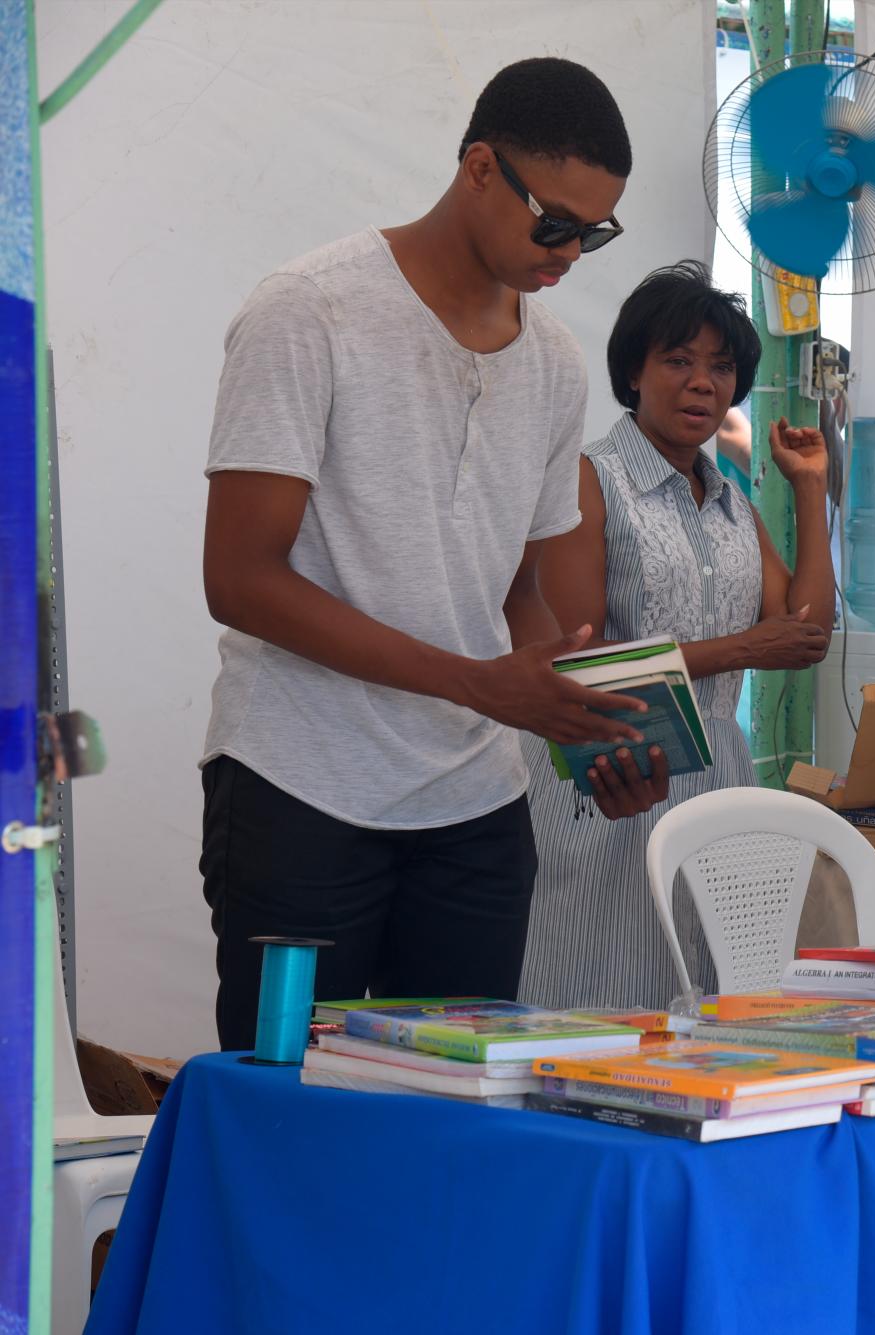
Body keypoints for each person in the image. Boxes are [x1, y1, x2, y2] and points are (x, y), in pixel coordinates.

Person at [199, 59, 641, 1051]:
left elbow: (517, 588)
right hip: (301, 784)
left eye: (594, 232)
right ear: (479, 168)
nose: (569, 253)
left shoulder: (557, 362)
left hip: (474, 808)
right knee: (296, 1116)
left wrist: (582, 727)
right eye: (554, 223)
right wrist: (480, 685)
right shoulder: (309, 311)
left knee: (453, 1125)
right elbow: (239, 579)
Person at [516, 262, 835, 1010]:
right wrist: (738, 651)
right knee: (602, 999)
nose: (703, 383)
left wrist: (810, 488)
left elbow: (807, 632)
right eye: (679, 361)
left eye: (721, 367)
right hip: (611, 776)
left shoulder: (729, 499)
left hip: (719, 775)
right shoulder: (590, 480)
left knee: (712, 1008)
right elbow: (578, 664)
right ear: (633, 371)